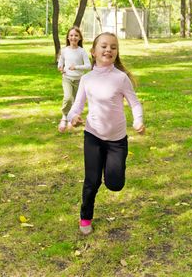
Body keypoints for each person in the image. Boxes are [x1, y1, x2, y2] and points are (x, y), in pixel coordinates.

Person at [67, 32, 145, 235]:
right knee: (92, 181)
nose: (108, 49)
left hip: (117, 141)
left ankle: (112, 168)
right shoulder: (86, 79)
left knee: (115, 184)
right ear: (93, 52)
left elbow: (134, 103)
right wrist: (72, 118)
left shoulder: (121, 79)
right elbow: (76, 107)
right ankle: (85, 217)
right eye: (103, 46)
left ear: (116, 52)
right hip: (92, 136)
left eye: (113, 47)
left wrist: (138, 121)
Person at [58, 26, 91, 132]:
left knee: (76, 102)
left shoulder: (82, 51)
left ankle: (72, 119)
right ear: (68, 37)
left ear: (80, 38)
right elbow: (61, 61)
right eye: (71, 35)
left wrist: (76, 67)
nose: (73, 37)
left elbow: (88, 66)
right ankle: (64, 116)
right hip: (67, 78)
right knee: (68, 98)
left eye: (76, 35)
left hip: (79, 80)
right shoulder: (64, 50)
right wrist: (60, 67)